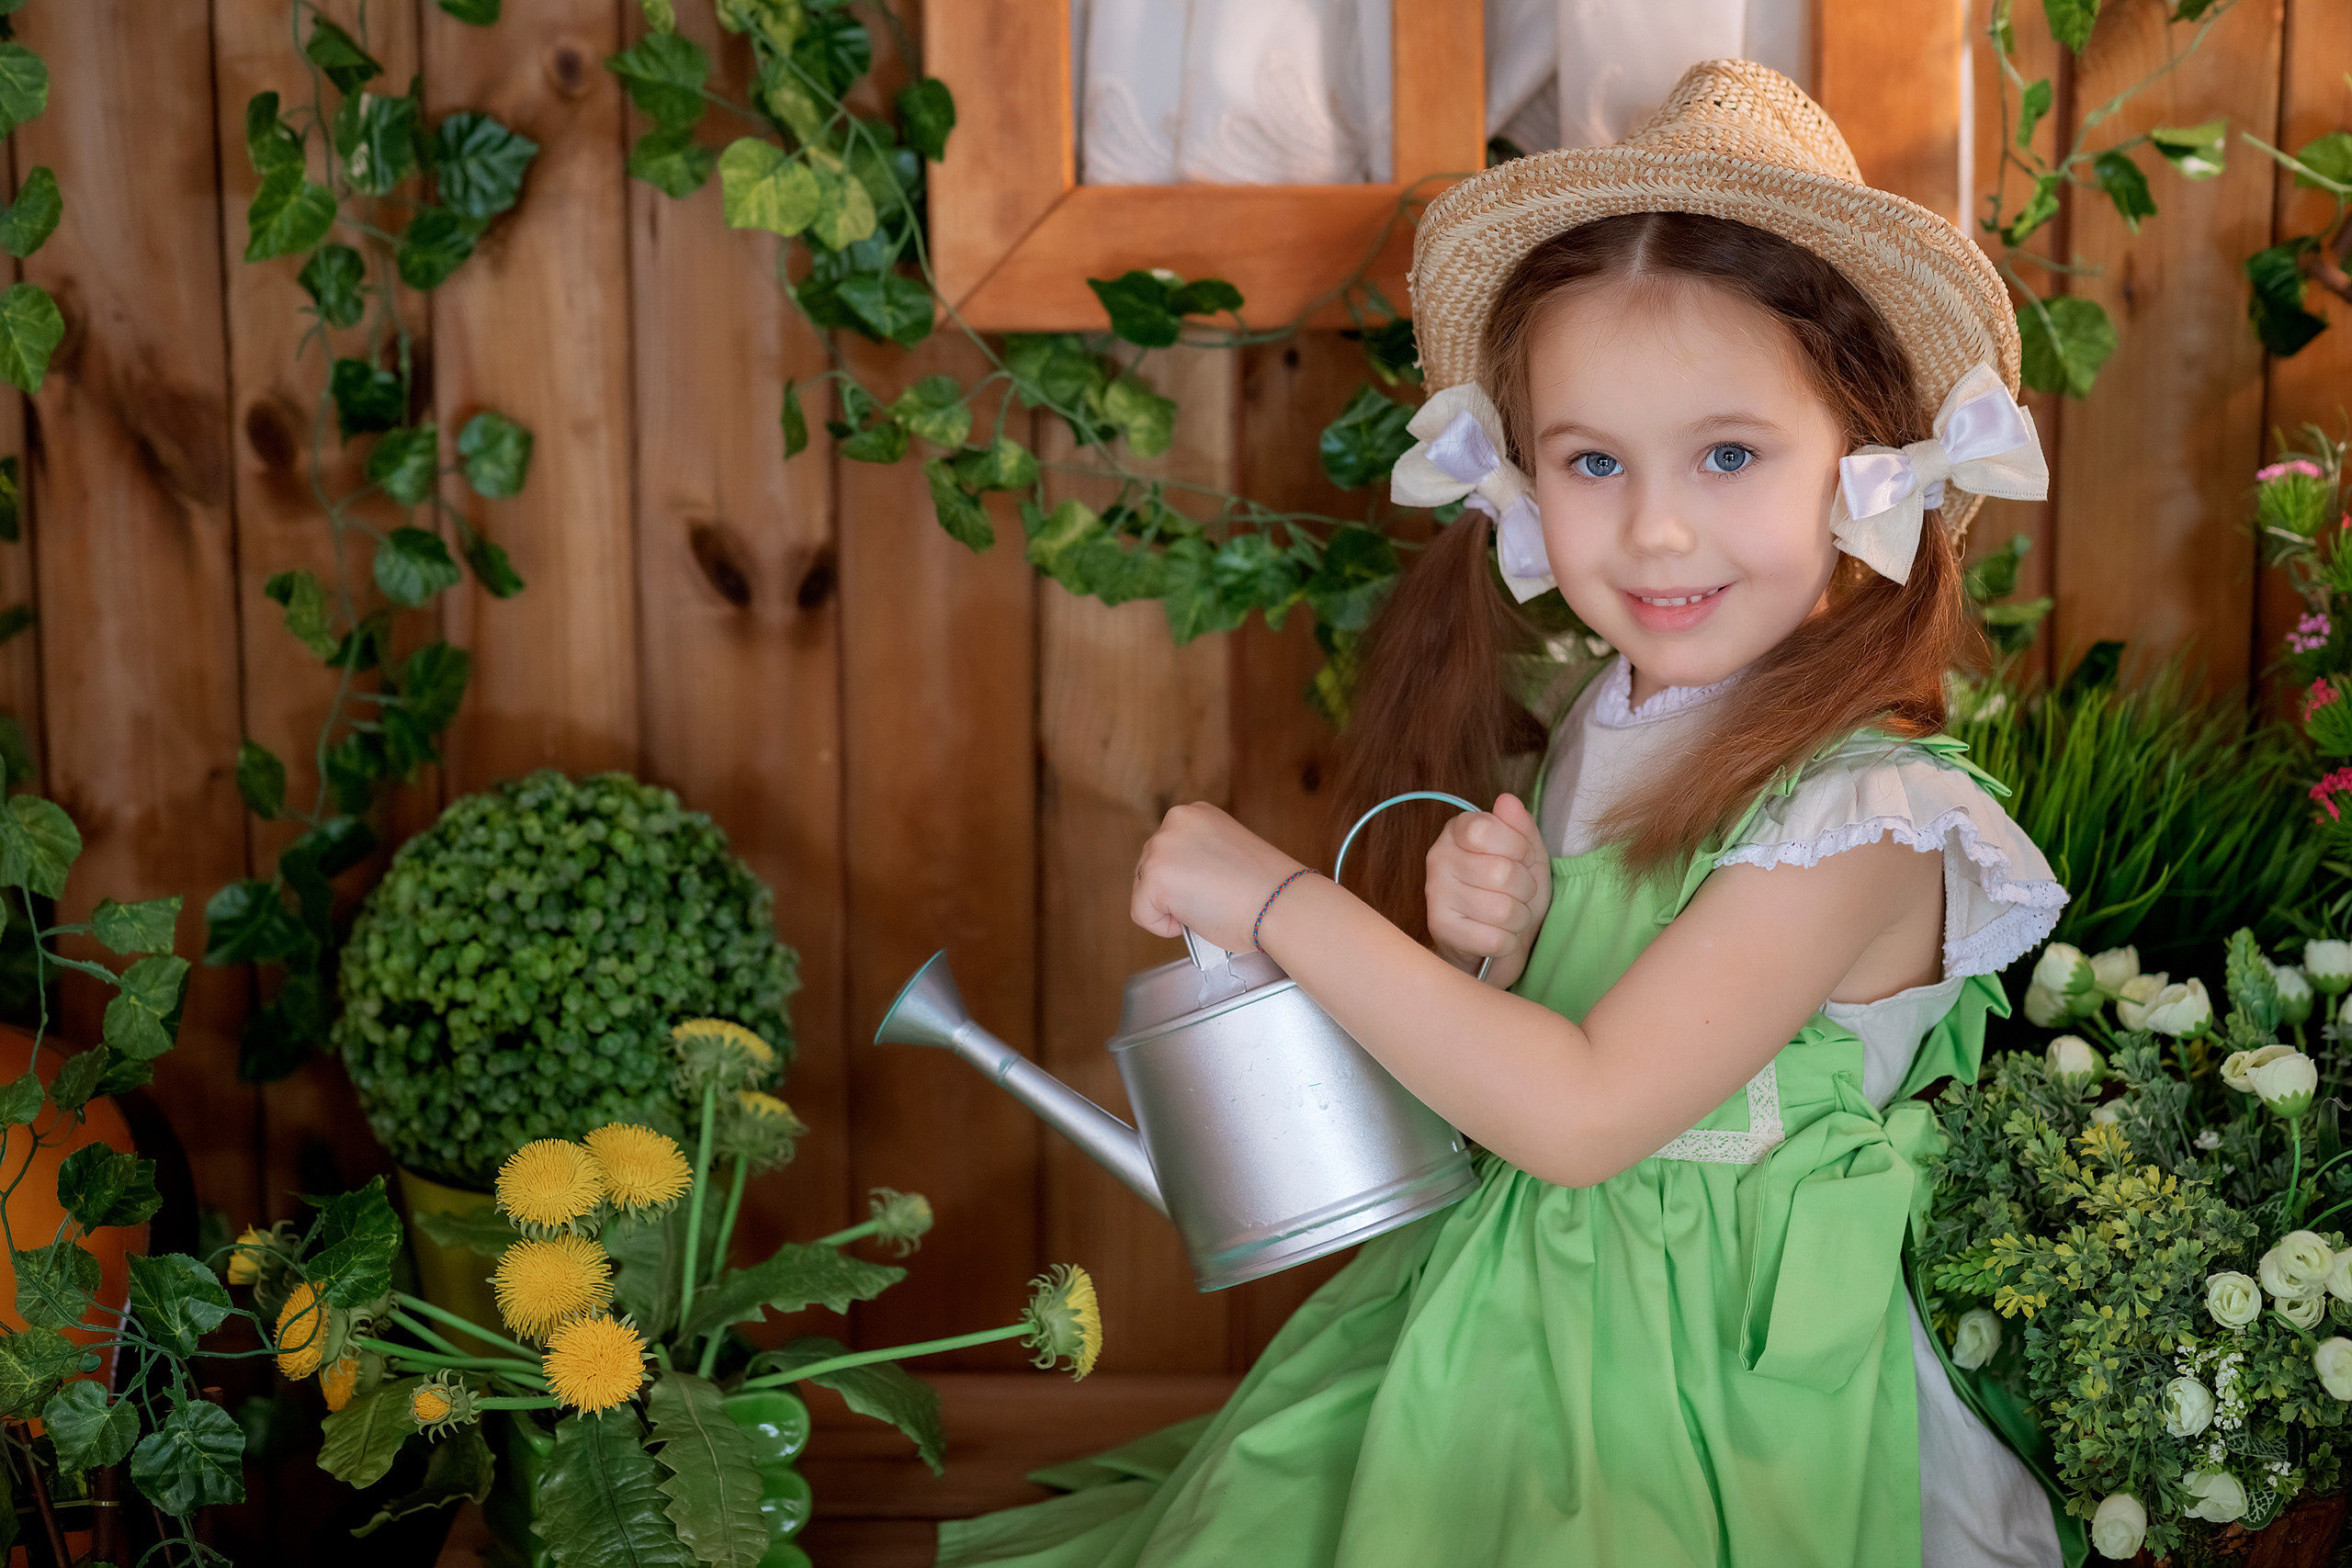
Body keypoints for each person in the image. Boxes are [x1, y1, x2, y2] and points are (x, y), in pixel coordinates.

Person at [937, 60, 2076, 1568]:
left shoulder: (1869, 815)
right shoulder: (1617, 714)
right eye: (1593, 461)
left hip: (1692, 1388)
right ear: (1530, 481)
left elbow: (1587, 1108)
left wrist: (1286, 907)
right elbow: (1545, 1046)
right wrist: (1507, 942)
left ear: (1864, 469)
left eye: (1729, 455)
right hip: (1509, 1305)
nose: (1655, 525)